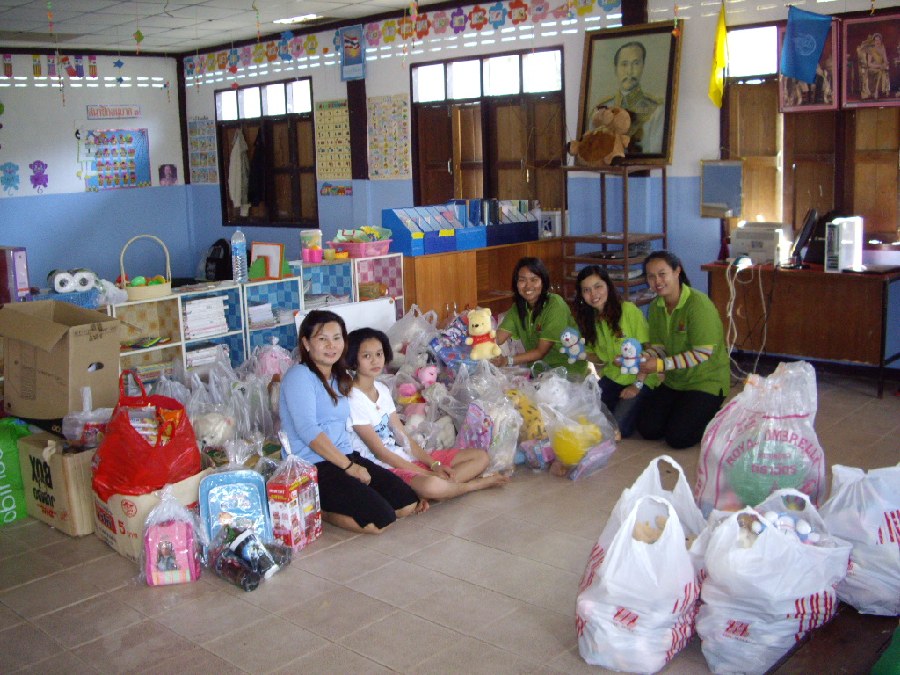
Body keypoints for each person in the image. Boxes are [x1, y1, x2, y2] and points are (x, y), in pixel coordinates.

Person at [279, 310, 420, 534]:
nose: (331, 345)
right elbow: (308, 431)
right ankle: (320, 510)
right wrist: (349, 468)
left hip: (345, 456)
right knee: (380, 521)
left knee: (408, 502)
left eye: (337, 338)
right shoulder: (299, 376)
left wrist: (352, 463)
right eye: (322, 339)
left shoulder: (338, 377)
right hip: (315, 466)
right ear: (306, 343)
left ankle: (349, 500)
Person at [345, 328, 509, 505]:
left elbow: (403, 437)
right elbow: (381, 453)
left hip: (407, 458)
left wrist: (434, 464)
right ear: (353, 360)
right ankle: (473, 485)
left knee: (480, 457)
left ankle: (439, 488)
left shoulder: (382, 390)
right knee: (432, 485)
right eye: (366, 356)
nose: (375, 360)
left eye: (379, 354)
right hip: (386, 469)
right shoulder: (352, 398)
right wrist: (429, 474)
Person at [634, 251, 730, 449]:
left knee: (679, 438)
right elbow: (659, 347)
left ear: (677, 271)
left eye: (662, 274)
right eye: (651, 276)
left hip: (705, 381)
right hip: (675, 381)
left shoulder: (698, 304)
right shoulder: (656, 307)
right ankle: (686, 410)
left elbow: (703, 353)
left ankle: (717, 414)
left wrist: (660, 364)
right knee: (648, 429)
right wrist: (641, 358)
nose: (657, 281)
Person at [572, 265, 654, 438]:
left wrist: (637, 385)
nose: (593, 294)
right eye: (586, 290)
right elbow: (598, 359)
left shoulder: (628, 311)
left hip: (642, 377)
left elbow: (649, 351)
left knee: (618, 428)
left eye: (598, 286)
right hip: (614, 377)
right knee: (586, 414)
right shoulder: (590, 320)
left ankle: (643, 406)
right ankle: (626, 405)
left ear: (608, 285)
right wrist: (577, 352)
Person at [491, 257, 587, 375]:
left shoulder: (555, 304)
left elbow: (541, 352)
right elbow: (497, 338)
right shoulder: (518, 308)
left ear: (543, 282)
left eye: (534, 279)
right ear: (516, 283)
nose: (528, 286)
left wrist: (507, 360)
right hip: (538, 372)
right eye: (522, 280)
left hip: (568, 372)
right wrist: (478, 341)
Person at [597, 41, 664, 154]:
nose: (629, 71)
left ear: (643, 66)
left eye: (636, 63)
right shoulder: (600, 109)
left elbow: (655, 153)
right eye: (624, 64)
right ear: (615, 68)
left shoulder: (656, 110)